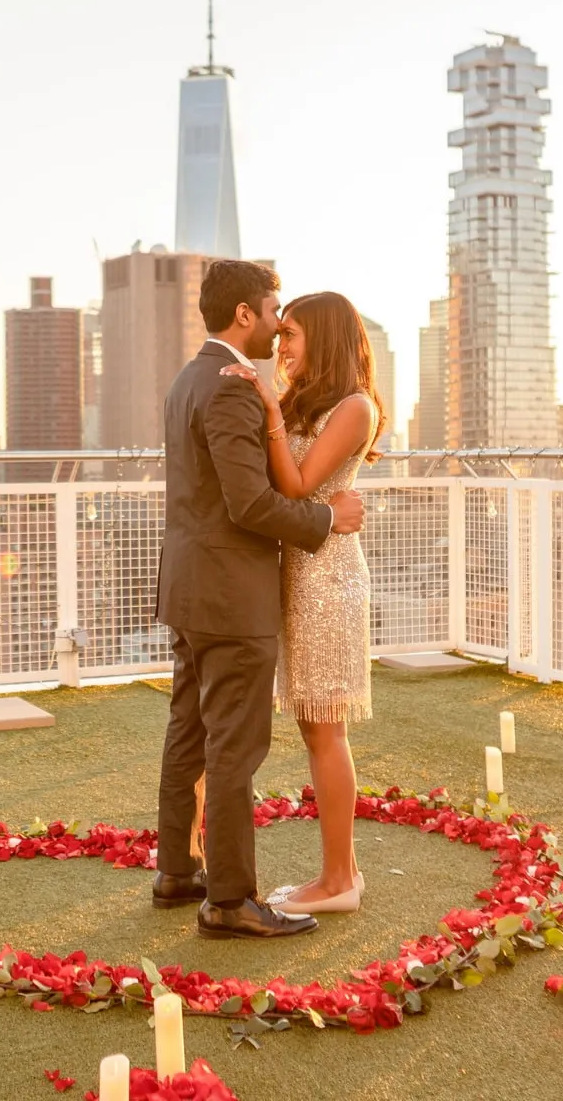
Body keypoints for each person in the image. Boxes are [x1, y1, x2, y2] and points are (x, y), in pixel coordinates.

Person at [153, 260, 367, 940]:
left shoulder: (192, 379)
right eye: (275, 313)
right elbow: (250, 503)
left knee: (189, 733)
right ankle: (229, 899)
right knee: (232, 749)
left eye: (292, 324)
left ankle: (179, 871)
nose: (278, 331)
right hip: (230, 596)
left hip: (192, 589)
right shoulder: (233, 388)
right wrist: (329, 519)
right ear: (244, 314)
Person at [218, 291, 383, 915]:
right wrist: (272, 404)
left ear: (326, 336)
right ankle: (343, 874)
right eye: (280, 332)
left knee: (325, 730)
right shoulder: (306, 399)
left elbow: (296, 483)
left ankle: (339, 881)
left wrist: (266, 405)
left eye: (291, 333)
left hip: (327, 580)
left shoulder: (355, 405)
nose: (280, 345)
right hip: (299, 572)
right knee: (315, 728)